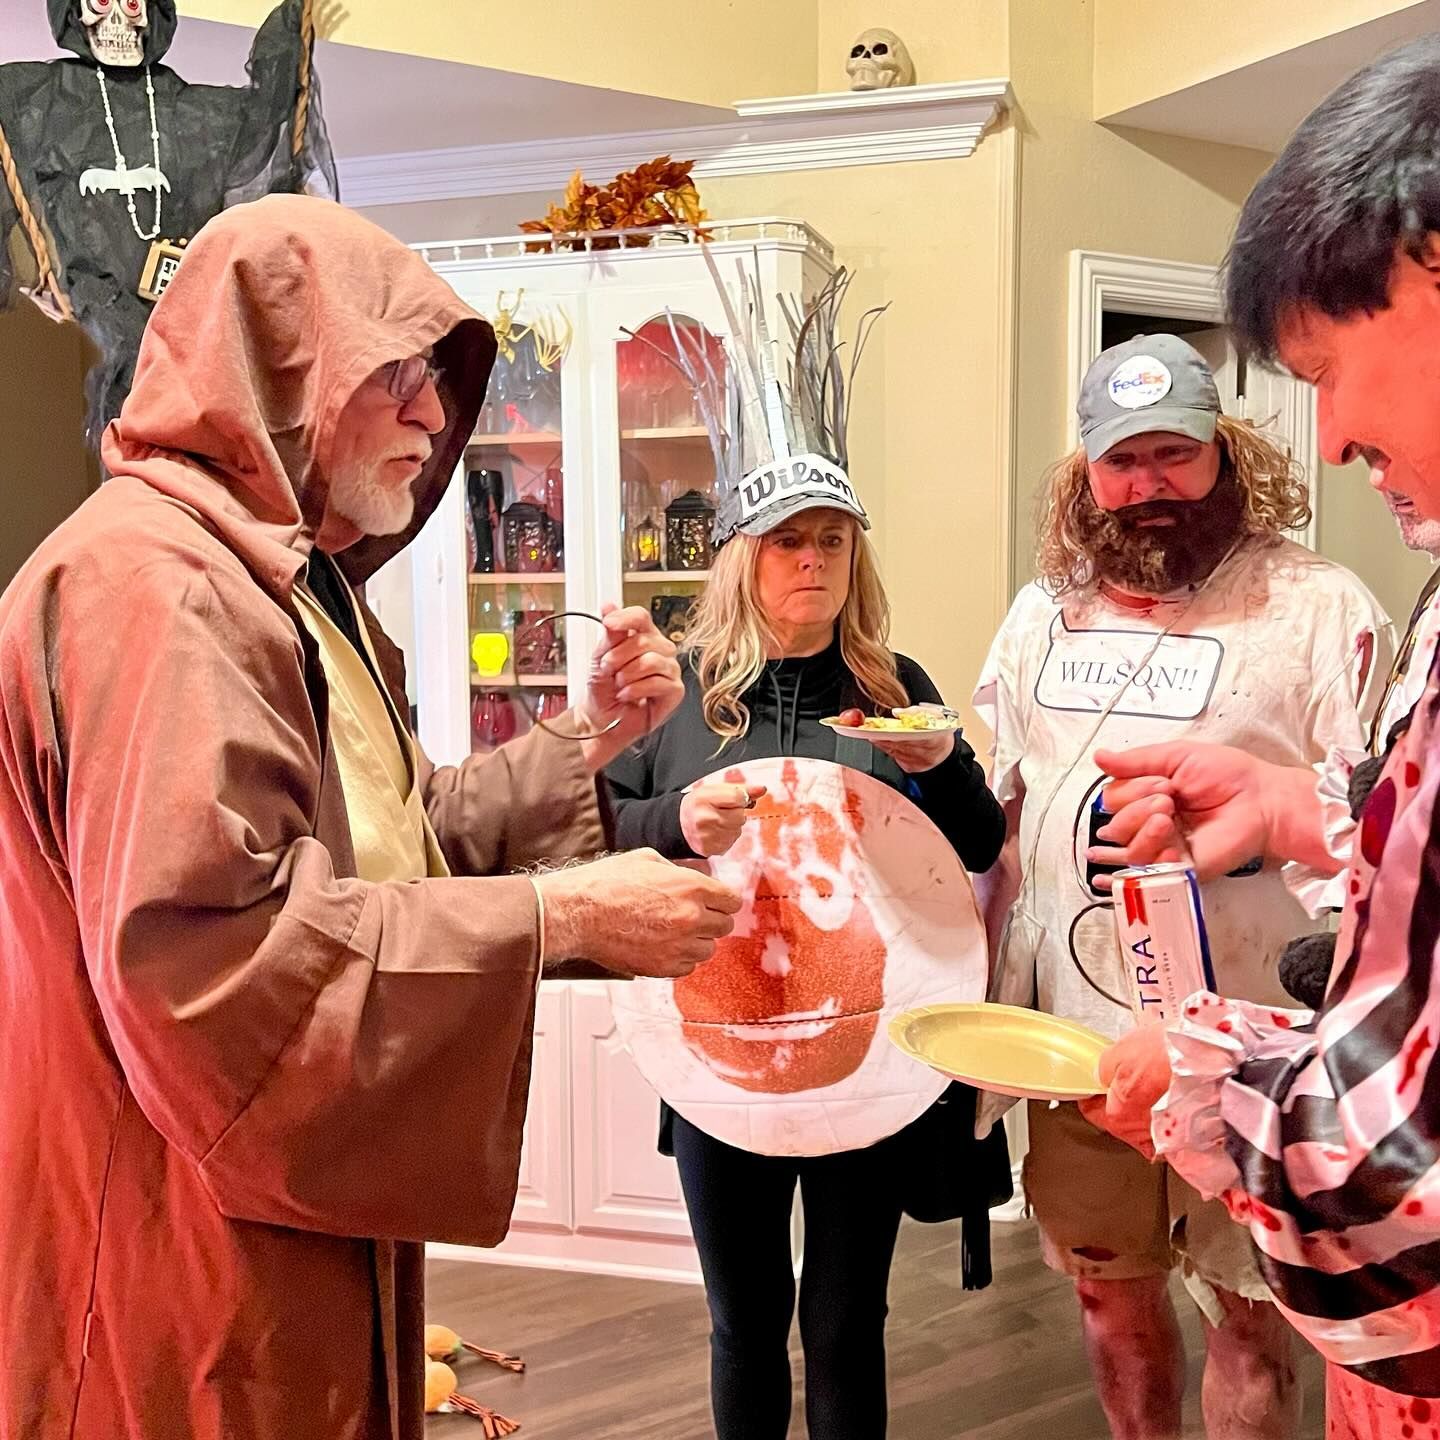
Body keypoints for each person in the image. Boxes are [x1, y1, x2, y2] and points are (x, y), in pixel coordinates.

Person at [0, 194, 743, 1440]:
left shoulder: (285, 584)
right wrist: (558, 918)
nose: (434, 415)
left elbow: (395, 835)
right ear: (274, 373)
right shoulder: (160, 591)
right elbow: (213, 964)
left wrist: (589, 735)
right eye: (391, 373)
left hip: (267, 1210)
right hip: (177, 1247)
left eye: (435, 379)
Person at [1086, 36, 1440, 1434]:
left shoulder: (1329, 601)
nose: (1335, 432)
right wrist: (1304, 809)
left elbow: (1391, 1201)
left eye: (1327, 365)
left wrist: (1205, 1074)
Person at [973, 333, 1392, 1440]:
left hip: (1249, 1044)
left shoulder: (1317, 608)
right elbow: (1006, 815)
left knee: (1250, 1314)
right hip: (1078, 1041)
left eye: (1174, 453)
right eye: (1122, 459)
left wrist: (1249, 838)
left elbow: (1382, 829)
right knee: (1105, 1298)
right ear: (1085, 470)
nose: (1148, 483)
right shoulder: (1040, 617)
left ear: (1225, 451)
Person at [606, 470, 1006, 1439]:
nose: (813, 561)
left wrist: (941, 764)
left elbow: (979, 844)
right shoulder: (678, 693)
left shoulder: (894, 689)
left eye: (833, 540)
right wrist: (674, 818)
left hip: (863, 1049)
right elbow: (596, 827)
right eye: (788, 541)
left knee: (846, 1323)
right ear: (742, 557)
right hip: (716, 1046)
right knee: (743, 1322)